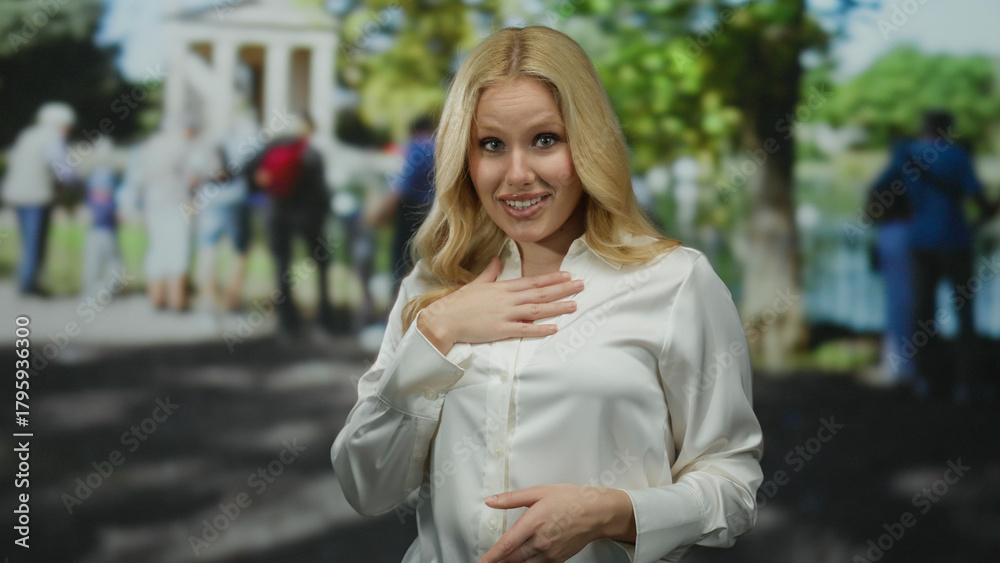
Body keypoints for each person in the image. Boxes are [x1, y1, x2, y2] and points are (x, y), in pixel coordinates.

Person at [331, 27, 762, 563]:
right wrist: (434, 335)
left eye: (545, 140)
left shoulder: (676, 283)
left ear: (588, 143)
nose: (517, 175)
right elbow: (365, 486)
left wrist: (611, 512)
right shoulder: (432, 285)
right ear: (465, 158)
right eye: (492, 145)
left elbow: (733, 488)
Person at [871, 110, 997, 402]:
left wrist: (895, 220)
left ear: (924, 127)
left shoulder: (906, 154)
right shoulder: (957, 156)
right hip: (956, 243)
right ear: (949, 128)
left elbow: (879, 190)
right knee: (964, 314)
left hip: (920, 243)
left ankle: (925, 379)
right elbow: (981, 202)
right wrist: (980, 219)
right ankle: (965, 384)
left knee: (922, 315)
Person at [250, 113, 336, 335]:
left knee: (282, 265)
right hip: (308, 216)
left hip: (277, 213)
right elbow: (321, 191)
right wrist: (325, 213)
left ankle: (287, 321)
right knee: (321, 264)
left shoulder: (269, 149)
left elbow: (252, 177)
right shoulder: (311, 154)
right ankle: (324, 317)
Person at [1, 102, 77, 296]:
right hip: (36, 196)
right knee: (34, 242)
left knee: (27, 240)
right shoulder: (52, 139)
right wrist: (77, 183)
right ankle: (28, 286)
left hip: (16, 193)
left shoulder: (28, 135)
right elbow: (63, 168)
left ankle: (28, 281)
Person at [135, 119, 206, 311]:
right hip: (177, 202)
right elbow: (193, 178)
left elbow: (139, 176)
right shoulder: (186, 146)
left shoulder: (151, 144)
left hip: (153, 202)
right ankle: (177, 300)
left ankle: (156, 297)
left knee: (158, 247)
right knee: (178, 249)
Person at [369, 116, 438, 296]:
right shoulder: (440, 146)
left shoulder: (416, 147)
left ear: (412, 131)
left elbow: (400, 187)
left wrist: (380, 215)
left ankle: (399, 305)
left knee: (401, 264)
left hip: (410, 215)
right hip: (434, 214)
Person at [194, 118, 255, 312]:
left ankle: (208, 299)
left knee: (207, 249)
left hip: (209, 200)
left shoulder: (206, 141)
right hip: (236, 198)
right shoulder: (246, 139)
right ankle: (233, 300)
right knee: (239, 251)